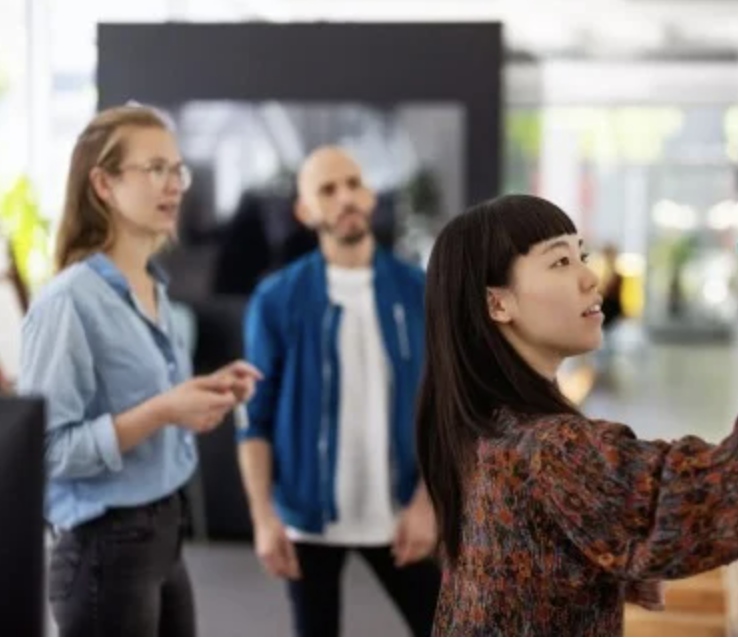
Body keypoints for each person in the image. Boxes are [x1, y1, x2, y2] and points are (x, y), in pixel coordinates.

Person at [417, 183, 738, 636]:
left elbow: (512, 558)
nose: (590, 278)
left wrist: (597, 562)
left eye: (582, 256)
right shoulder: (554, 449)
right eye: (559, 261)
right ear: (498, 303)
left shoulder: (484, 422)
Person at [17, 105, 261, 636]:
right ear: (103, 183)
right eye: (155, 169)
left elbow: (151, 407)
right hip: (104, 548)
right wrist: (162, 410)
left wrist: (198, 396)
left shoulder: (155, 288)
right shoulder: (68, 302)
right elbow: (44, 452)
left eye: (178, 170)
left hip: (164, 534)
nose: (174, 184)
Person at [237, 146, 441, 636]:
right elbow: (254, 418)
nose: (345, 197)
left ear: (370, 196)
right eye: (328, 190)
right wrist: (264, 519)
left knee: (447, 626)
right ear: (305, 211)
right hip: (308, 517)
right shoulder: (276, 299)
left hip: (400, 512)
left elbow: (445, 410)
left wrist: (428, 502)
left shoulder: (419, 291)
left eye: (353, 183)